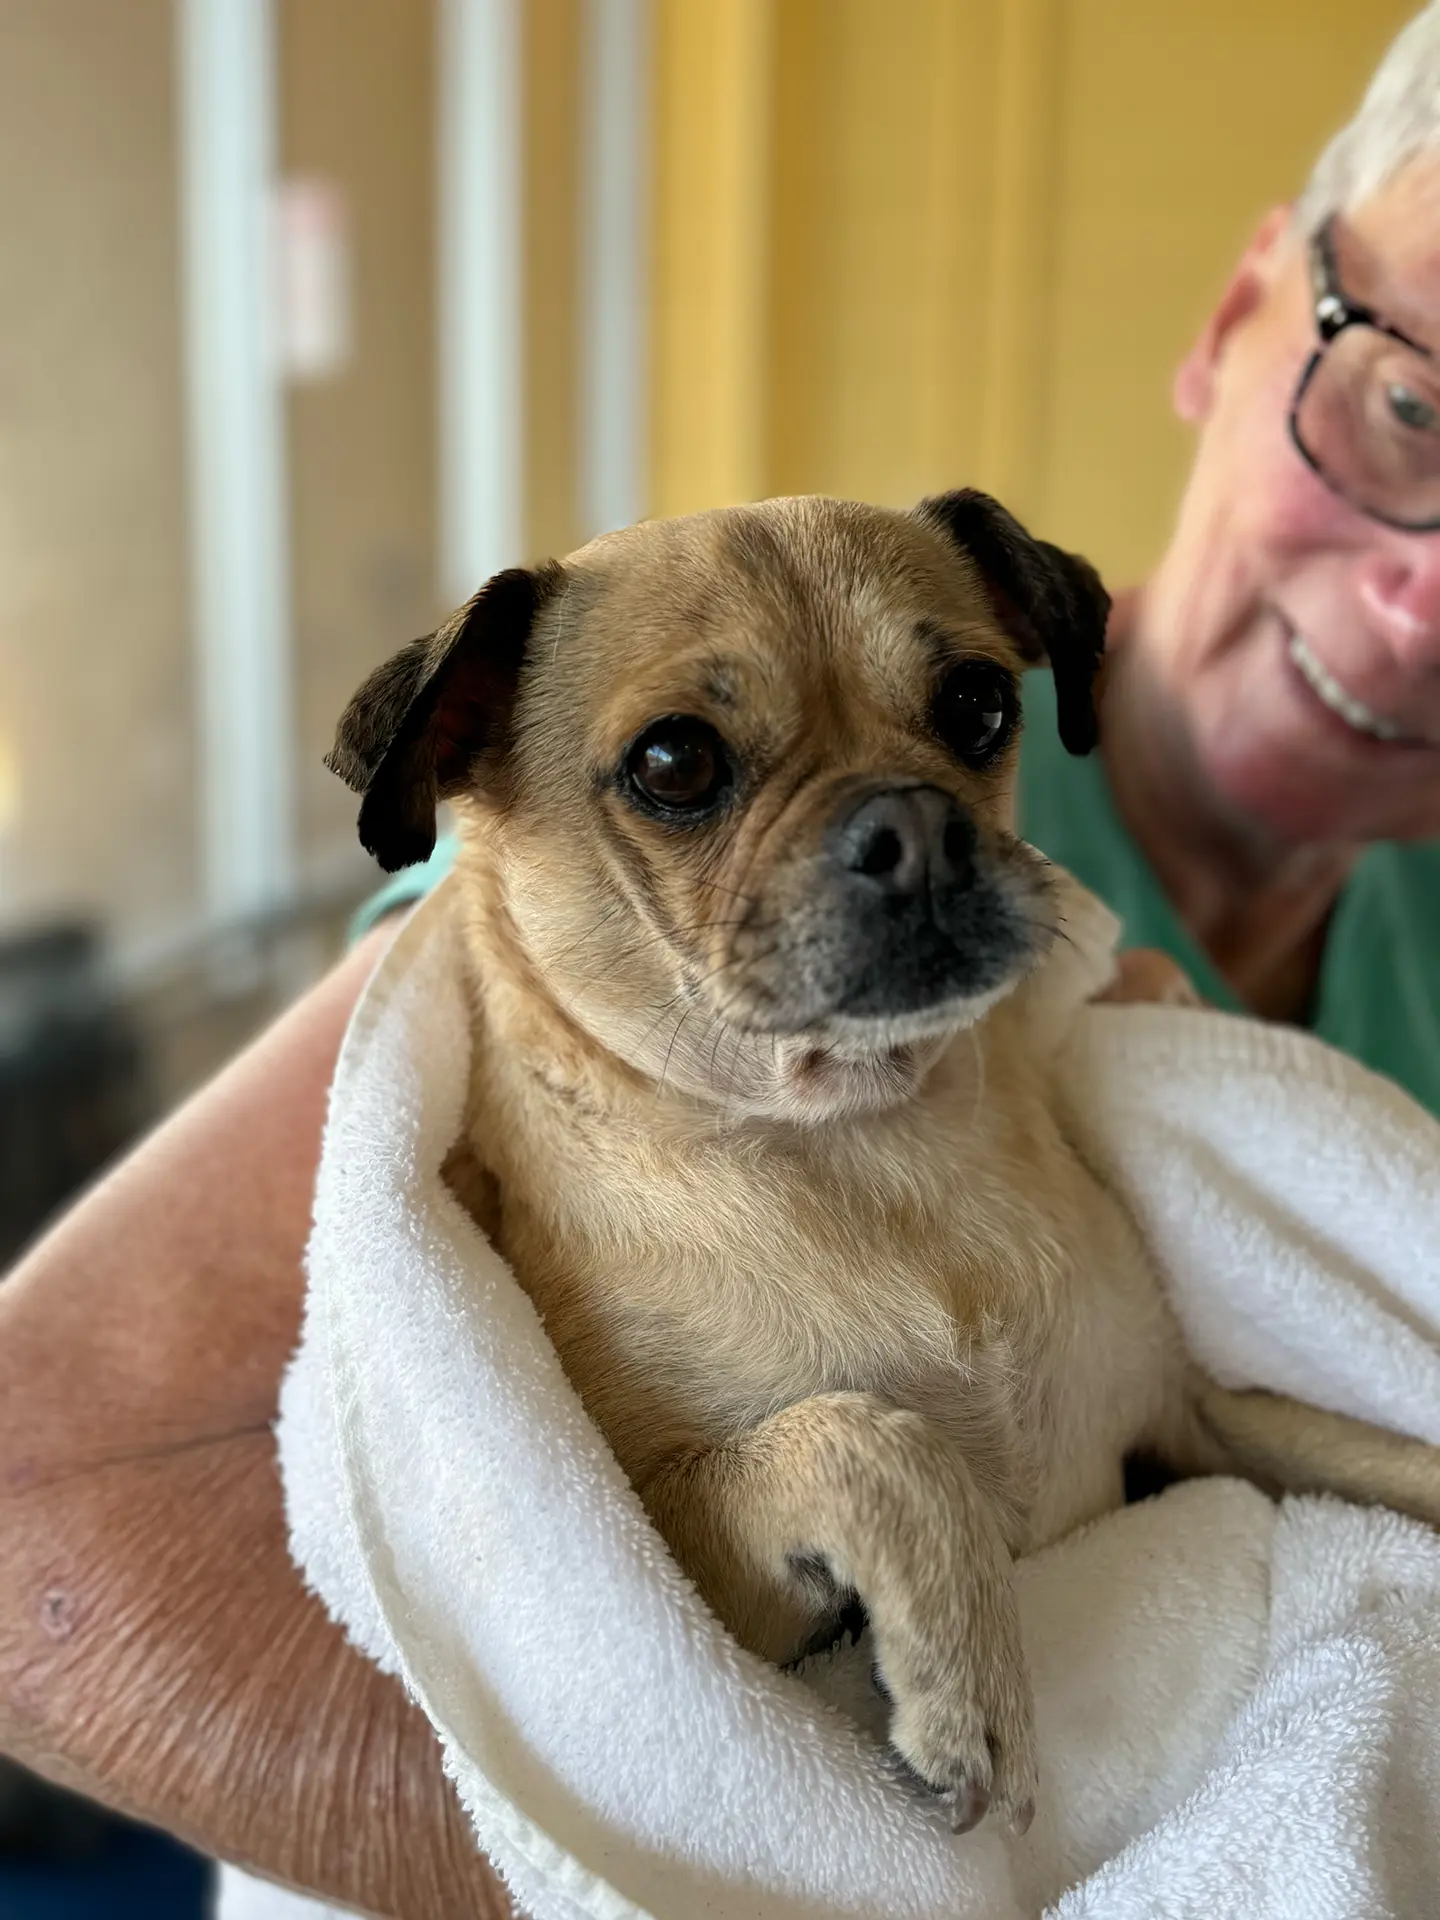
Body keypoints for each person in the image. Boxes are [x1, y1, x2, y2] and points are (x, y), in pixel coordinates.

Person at [3, 7, 1440, 1915]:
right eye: (685, 770)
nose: (897, 831)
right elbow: (58, 1526)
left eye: (959, 719)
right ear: (1242, 306)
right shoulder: (506, 1010)